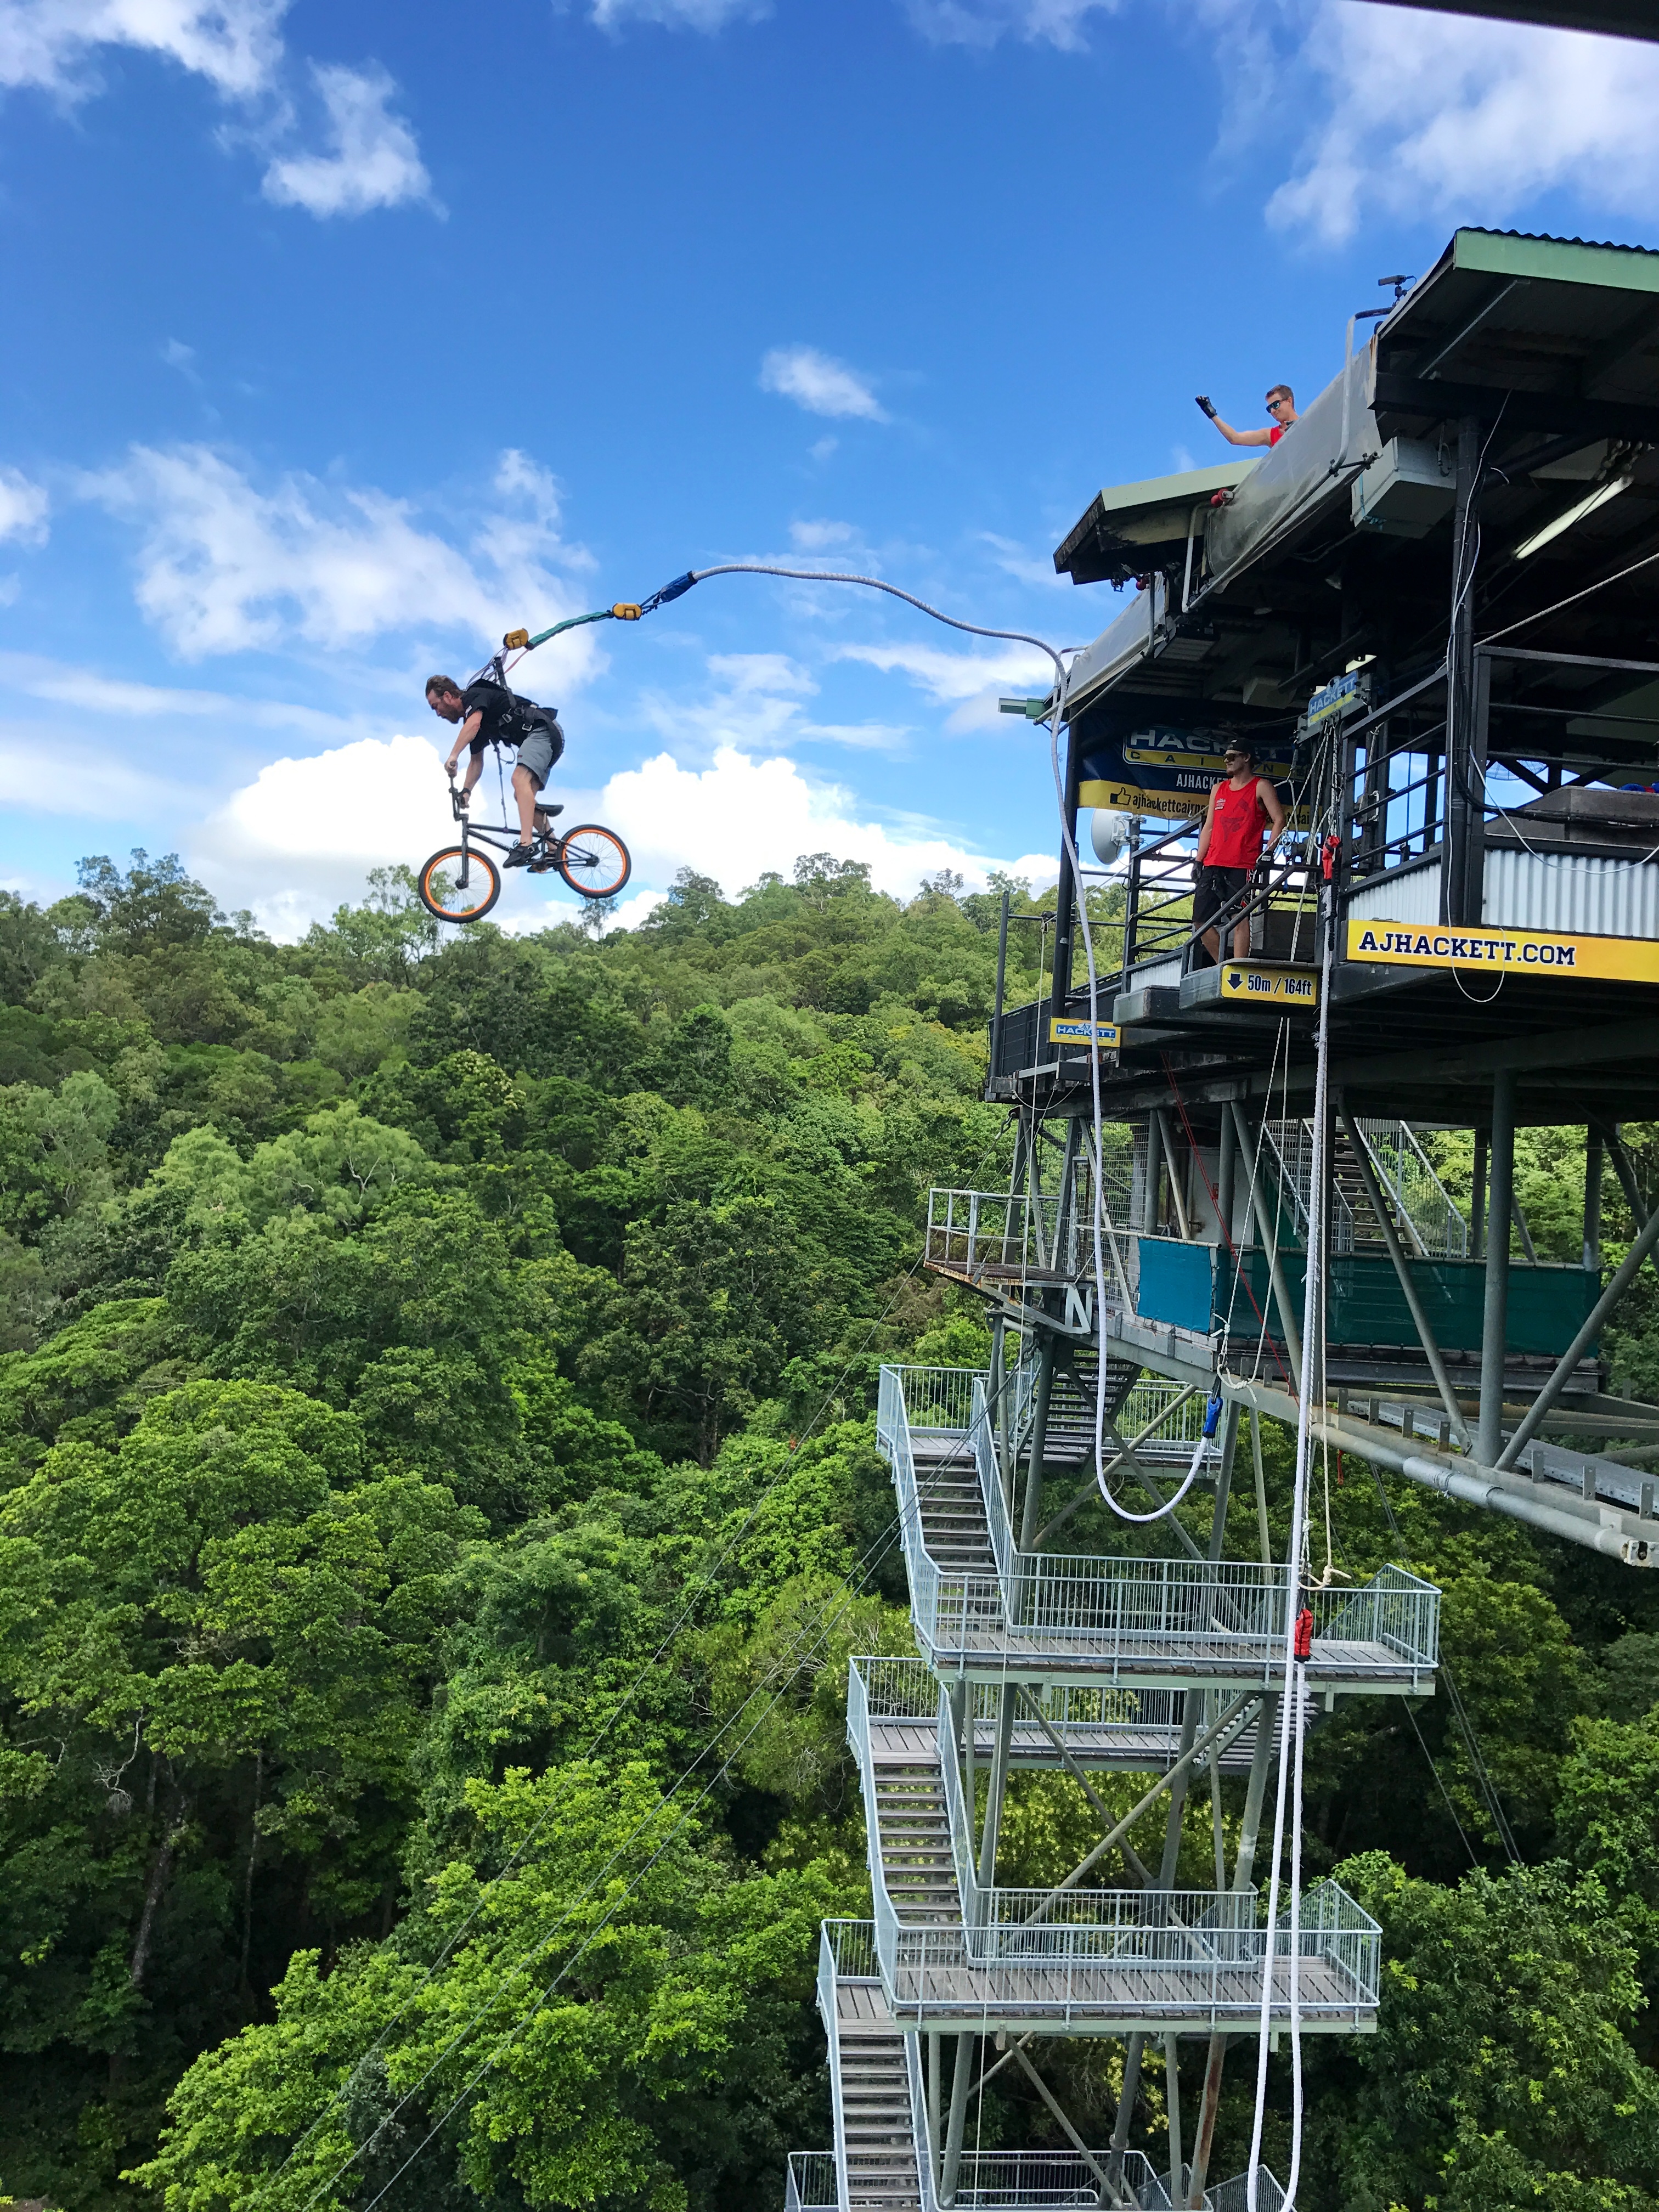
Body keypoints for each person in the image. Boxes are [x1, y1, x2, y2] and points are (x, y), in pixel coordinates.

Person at [426, 658, 565, 868]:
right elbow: (476, 762)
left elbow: (473, 725)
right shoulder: (476, 720)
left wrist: (453, 755)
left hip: (543, 730)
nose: (438, 713)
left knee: (519, 779)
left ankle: (526, 844)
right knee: (523, 796)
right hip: (545, 739)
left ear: (447, 696)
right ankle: (556, 850)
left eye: (436, 706)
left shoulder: (475, 695)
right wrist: (466, 791)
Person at [1193, 740, 1286, 963]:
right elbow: (1209, 826)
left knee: (1239, 917)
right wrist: (1198, 860)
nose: (1227, 761)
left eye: (1232, 756)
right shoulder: (1219, 789)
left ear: (1246, 758)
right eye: (1225, 757)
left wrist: (1268, 851)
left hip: (1242, 863)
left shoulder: (1261, 786)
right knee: (1199, 921)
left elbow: (1279, 819)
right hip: (1213, 862)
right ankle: (1222, 965)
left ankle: (1238, 967)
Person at [1194, 385, 1297, 449]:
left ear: (1289, 401)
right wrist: (1212, 415)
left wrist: (1299, 428)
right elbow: (1235, 438)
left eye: (1275, 405)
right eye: (1269, 408)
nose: (1273, 411)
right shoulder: (1271, 435)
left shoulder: (1310, 421)